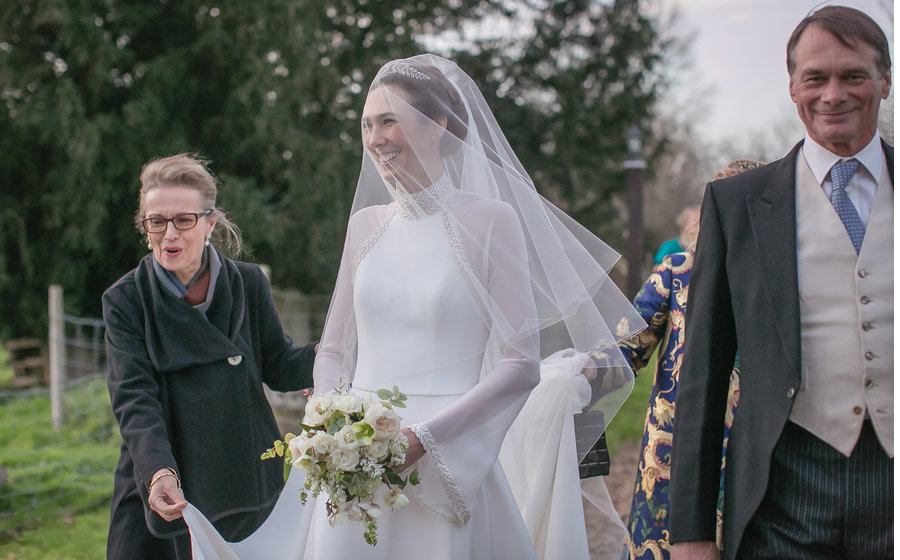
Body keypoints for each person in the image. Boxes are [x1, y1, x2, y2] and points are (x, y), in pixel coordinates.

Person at [182, 54, 643, 560]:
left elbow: (519, 364)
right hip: (353, 466)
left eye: (389, 121)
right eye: (366, 124)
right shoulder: (365, 226)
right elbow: (334, 346)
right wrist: (329, 423)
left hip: (449, 455)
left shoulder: (493, 222)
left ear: (437, 125)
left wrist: (423, 438)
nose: (375, 137)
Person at [670, 6, 893, 560]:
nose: (833, 94)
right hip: (783, 490)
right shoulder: (736, 204)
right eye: (815, 78)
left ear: (885, 80)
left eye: (853, 75)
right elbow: (702, 373)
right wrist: (692, 534)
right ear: (793, 87)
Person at [103, 153, 317, 560]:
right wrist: (159, 473)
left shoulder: (248, 283)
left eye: (184, 220)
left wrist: (335, 352)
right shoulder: (125, 300)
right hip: (167, 474)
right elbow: (134, 398)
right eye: (157, 221)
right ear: (144, 224)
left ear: (209, 222)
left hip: (244, 475)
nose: (170, 234)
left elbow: (279, 364)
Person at [621, 160, 762, 560]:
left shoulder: (784, 277)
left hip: (755, 446)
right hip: (675, 450)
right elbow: (627, 346)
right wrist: (574, 377)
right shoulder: (677, 273)